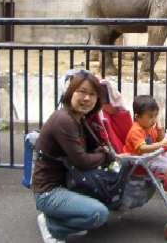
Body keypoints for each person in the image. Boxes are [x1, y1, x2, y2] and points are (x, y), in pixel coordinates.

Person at [32, 70, 112, 243]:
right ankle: (52, 226)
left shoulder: (79, 118)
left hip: (68, 183)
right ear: (70, 92)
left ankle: (60, 217)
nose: (87, 98)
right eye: (82, 92)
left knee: (107, 197)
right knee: (99, 214)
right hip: (49, 192)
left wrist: (101, 151)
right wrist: (105, 156)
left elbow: (95, 146)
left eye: (92, 94)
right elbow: (82, 161)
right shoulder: (64, 120)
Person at [123, 94, 167, 199]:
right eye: (150, 116)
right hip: (138, 159)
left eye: (155, 116)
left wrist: (160, 130)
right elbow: (142, 148)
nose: (154, 119)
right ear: (137, 116)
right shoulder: (136, 130)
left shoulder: (149, 127)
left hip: (150, 156)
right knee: (163, 164)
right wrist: (161, 144)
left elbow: (159, 140)